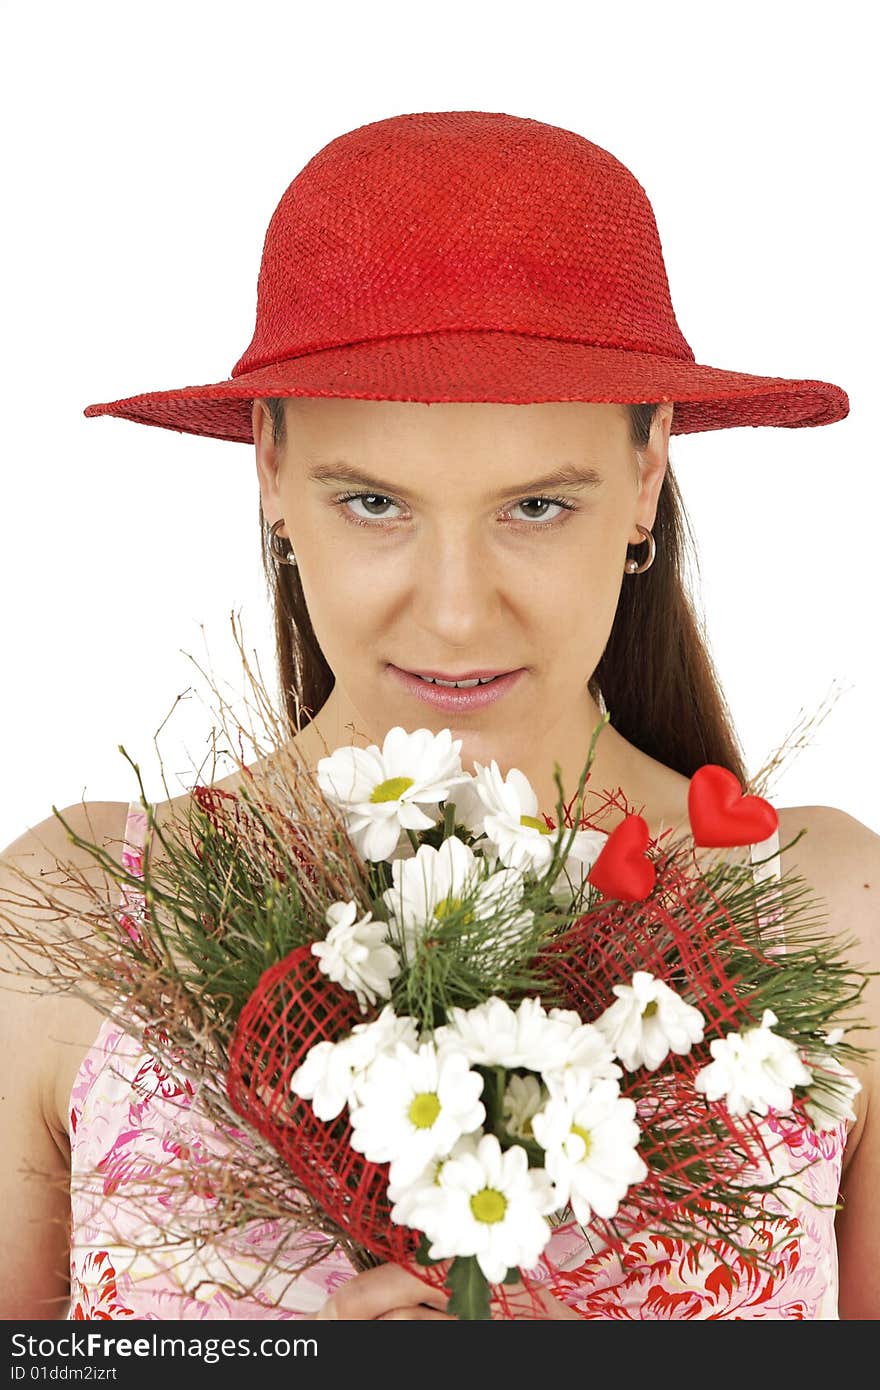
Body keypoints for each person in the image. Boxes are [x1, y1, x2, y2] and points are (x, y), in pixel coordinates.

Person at [1, 110, 877, 1321]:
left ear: (644, 474)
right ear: (268, 466)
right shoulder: (78, 916)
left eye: (535, 507)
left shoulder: (833, 914)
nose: (457, 614)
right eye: (372, 500)